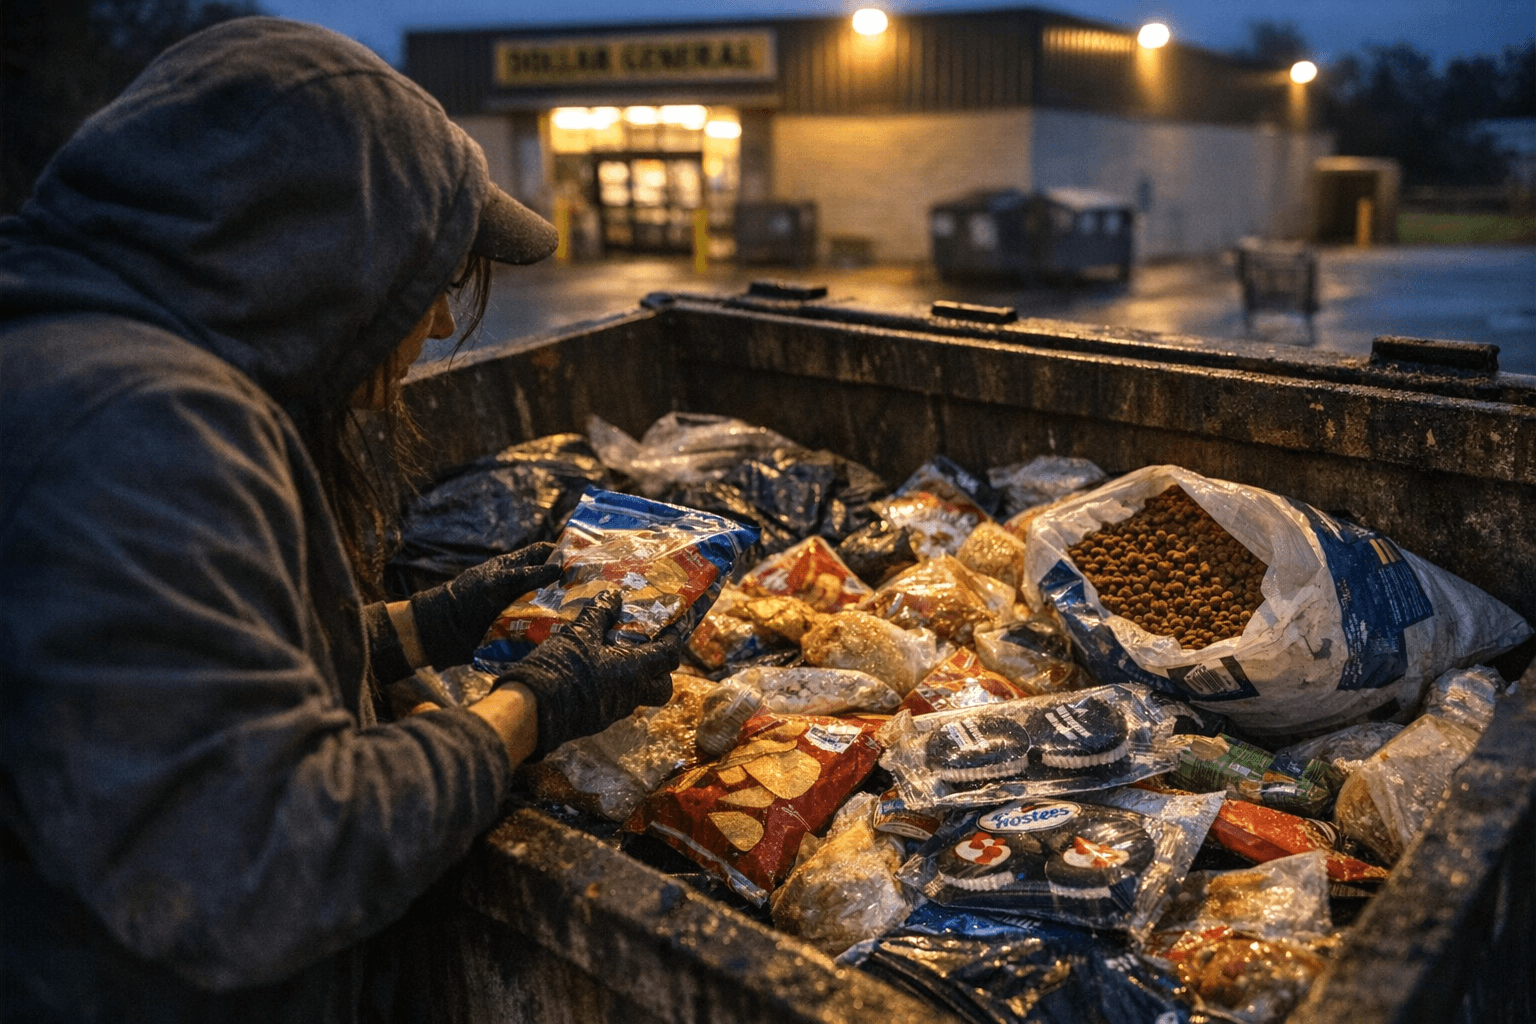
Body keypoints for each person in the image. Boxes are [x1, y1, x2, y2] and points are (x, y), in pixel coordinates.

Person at [0, 17, 681, 1023]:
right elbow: (253, 864)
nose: (440, 322)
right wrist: (531, 706)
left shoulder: (91, 360)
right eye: (430, 278)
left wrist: (416, 626)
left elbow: (169, 687)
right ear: (319, 254)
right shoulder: (141, 425)